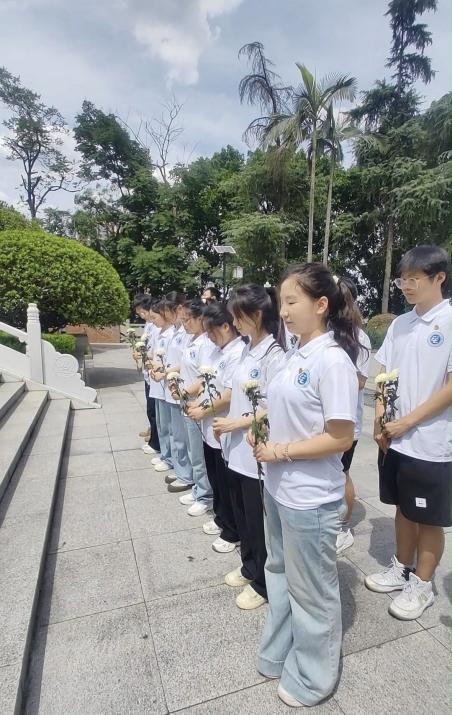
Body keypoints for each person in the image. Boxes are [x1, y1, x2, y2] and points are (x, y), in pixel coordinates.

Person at [252, 263, 360, 707]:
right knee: (278, 574)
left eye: (292, 301)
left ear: (321, 305)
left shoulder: (332, 361)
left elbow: (340, 437)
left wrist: (280, 451)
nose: (283, 310)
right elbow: (281, 410)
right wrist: (261, 429)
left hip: (311, 498)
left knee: (312, 591)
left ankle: (315, 676)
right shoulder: (293, 354)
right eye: (281, 302)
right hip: (279, 489)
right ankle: (280, 651)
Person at [365, 245, 452, 621]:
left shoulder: (449, 321)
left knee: (429, 517)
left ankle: (422, 584)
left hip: (431, 442)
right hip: (395, 439)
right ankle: (401, 567)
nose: (407, 286)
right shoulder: (399, 324)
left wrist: (407, 422)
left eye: (414, 279)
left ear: (439, 278)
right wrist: (380, 418)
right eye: (403, 280)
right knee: (402, 506)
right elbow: (384, 375)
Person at [214, 285, 285, 611]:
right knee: (243, 514)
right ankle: (249, 565)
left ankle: (263, 582)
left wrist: (235, 424)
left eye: (238, 317)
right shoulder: (247, 349)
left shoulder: (274, 356)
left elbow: (272, 408)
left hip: (255, 452)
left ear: (256, 315)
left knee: (258, 521)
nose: (234, 322)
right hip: (236, 450)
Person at [186, 302, 244, 551]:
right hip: (210, 426)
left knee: (227, 482)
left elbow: (229, 395)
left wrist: (204, 410)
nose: (209, 337)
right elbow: (207, 383)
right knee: (215, 477)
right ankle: (221, 518)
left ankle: (232, 531)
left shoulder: (237, 353)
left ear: (226, 326)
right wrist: (198, 403)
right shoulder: (219, 351)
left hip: (224, 426)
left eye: (212, 331)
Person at [336, 276, 371, 555]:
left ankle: (343, 526)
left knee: (341, 473)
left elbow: (361, 381)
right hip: (321, 422)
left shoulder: (359, 337)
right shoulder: (324, 333)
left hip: (347, 422)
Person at [173, 298, 214, 515]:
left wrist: (186, 392)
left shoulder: (205, 344)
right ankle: (199, 487)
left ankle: (205, 495)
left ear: (200, 318)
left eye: (188, 320)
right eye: (183, 320)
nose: (185, 324)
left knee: (198, 452)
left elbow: (204, 377)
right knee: (192, 448)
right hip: (187, 401)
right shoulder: (192, 340)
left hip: (197, 403)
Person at [140, 296, 161, 455]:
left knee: (156, 414)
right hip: (151, 373)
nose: (142, 315)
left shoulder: (158, 329)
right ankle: (155, 440)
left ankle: (156, 443)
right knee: (152, 411)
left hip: (159, 376)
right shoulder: (151, 326)